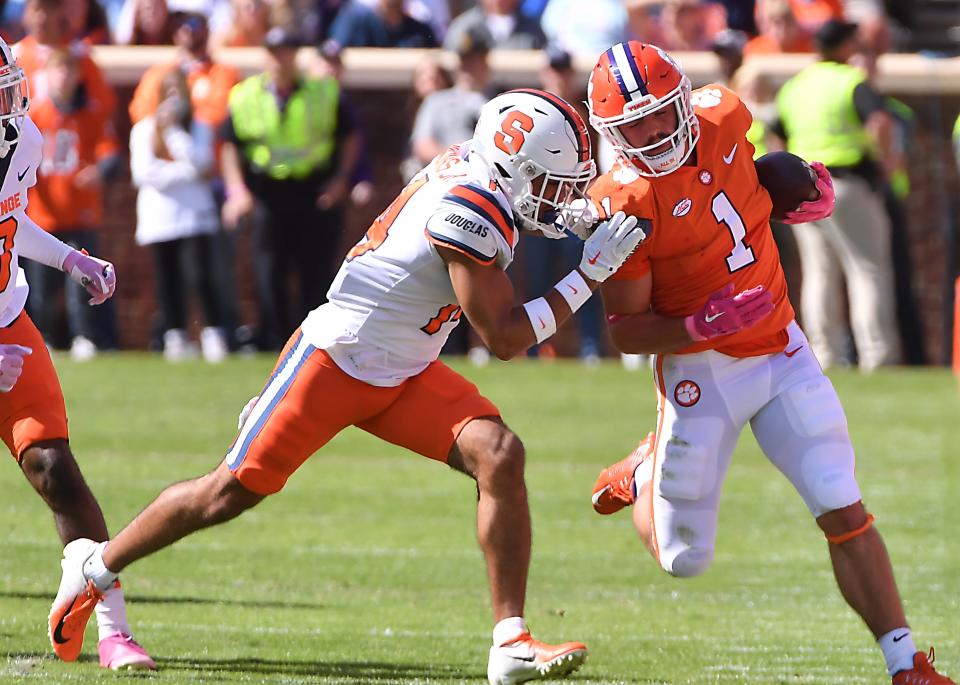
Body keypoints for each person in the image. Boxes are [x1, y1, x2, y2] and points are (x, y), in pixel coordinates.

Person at [49, 88, 647, 684]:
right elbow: (508, 339)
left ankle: (509, 642)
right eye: (553, 184)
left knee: (499, 454)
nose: (560, 196)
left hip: (404, 366)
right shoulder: (468, 209)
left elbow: (526, 202)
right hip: (339, 360)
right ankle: (97, 567)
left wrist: (579, 210)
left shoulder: (485, 169)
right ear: (516, 173)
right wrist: (589, 273)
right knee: (227, 492)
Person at [583, 40, 954, 685]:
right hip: (700, 369)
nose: (648, 134)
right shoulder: (622, 202)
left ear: (682, 103)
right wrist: (697, 323)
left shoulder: (724, 113)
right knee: (683, 560)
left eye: (657, 115)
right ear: (610, 133)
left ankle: (906, 663)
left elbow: (745, 179)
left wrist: (792, 191)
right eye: (630, 126)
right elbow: (625, 331)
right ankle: (644, 472)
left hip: (782, 351)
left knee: (842, 503)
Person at [0, 37, 154, 670]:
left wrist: (70, 257)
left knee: (56, 468)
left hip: (7, 319)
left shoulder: (24, 139)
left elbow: (10, 217)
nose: (9, 98)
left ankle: (113, 630)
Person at [220, 26, 361, 350]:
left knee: (316, 270)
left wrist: (341, 178)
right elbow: (230, 143)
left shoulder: (322, 91)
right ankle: (276, 340)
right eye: (275, 52)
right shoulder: (245, 94)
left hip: (314, 191)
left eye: (287, 51)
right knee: (269, 270)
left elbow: (350, 133)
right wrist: (236, 190)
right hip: (268, 192)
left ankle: (314, 343)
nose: (281, 60)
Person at [772, 19, 901, 371]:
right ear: (844, 46)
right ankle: (877, 355)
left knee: (819, 272)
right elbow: (881, 121)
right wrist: (887, 160)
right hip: (846, 183)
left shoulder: (796, 85)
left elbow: (777, 134)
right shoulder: (851, 80)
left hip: (802, 187)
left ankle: (825, 354)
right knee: (867, 269)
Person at [24, 48, 121, 359]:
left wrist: (99, 171)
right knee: (40, 287)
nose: (63, 76)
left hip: (80, 212)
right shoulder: (36, 113)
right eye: (58, 69)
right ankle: (44, 338)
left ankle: (84, 336)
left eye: (68, 70)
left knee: (81, 283)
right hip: (43, 214)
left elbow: (110, 153)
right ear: (48, 74)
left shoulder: (90, 113)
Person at [130, 68, 227, 362]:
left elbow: (202, 165)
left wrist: (174, 134)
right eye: (168, 93)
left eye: (178, 92)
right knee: (167, 278)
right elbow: (143, 173)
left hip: (195, 216)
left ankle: (214, 335)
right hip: (160, 218)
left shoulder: (199, 127)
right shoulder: (144, 129)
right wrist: (184, 173)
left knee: (200, 275)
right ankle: (175, 336)